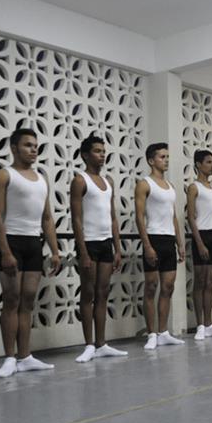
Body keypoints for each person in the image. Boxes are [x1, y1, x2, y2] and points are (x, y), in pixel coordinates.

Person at [0, 127, 62, 377]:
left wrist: (54, 251)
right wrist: (5, 251)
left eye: (35, 146)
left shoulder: (41, 179)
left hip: (33, 243)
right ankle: (9, 358)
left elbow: (47, 218)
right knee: (11, 299)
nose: (33, 150)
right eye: (28, 145)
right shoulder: (3, 176)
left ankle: (25, 356)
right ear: (14, 148)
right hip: (11, 241)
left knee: (28, 300)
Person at [70, 135, 128, 362]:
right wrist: (83, 251)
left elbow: (112, 217)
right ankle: (88, 345)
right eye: (97, 151)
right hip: (89, 243)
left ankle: (101, 343)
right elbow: (76, 219)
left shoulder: (108, 182)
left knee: (103, 293)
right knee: (88, 293)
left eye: (103, 151)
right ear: (85, 155)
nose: (102, 155)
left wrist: (117, 248)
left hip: (105, 243)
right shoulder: (80, 180)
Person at [134, 143, 186, 349]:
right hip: (153, 238)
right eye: (162, 157)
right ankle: (151, 334)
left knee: (168, 287)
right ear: (151, 160)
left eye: (167, 157)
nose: (166, 160)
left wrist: (180, 243)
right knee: (151, 287)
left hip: (169, 240)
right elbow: (139, 216)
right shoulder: (144, 184)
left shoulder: (170, 186)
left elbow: (173, 217)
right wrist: (147, 245)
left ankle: (163, 332)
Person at [185, 150, 212, 341]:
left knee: (210, 282)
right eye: (208, 162)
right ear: (198, 164)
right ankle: (200, 325)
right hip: (201, 236)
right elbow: (190, 217)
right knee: (200, 281)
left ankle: (210, 324)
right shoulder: (193, 187)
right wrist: (199, 243)